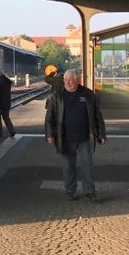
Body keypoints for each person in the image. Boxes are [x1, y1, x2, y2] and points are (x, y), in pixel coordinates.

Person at [45, 70, 106, 201]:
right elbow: (49, 116)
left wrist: (101, 134)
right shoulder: (57, 95)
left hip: (85, 138)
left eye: (70, 80)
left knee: (87, 165)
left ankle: (90, 191)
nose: (67, 83)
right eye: (65, 80)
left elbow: (97, 115)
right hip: (66, 138)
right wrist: (49, 134)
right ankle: (70, 191)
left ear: (77, 80)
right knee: (68, 166)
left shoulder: (88, 94)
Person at [0, 69, 15, 137]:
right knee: (6, 118)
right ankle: (12, 131)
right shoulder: (6, 81)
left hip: (0, 104)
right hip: (6, 103)